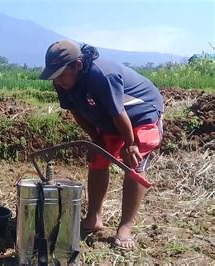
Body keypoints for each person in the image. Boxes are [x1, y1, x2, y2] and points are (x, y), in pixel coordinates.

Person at [39, 40, 164, 250]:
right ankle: (94, 218)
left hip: (141, 113)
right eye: (54, 76)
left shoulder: (102, 75)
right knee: (98, 157)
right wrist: (96, 141)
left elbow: (119, 113)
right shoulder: (62, 83)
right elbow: (77, 112)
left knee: (133, 162)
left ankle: (125, 227)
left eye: (61, 74)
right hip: (112, 118)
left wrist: (131, 144)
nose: (58, 81)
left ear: (78, 65)